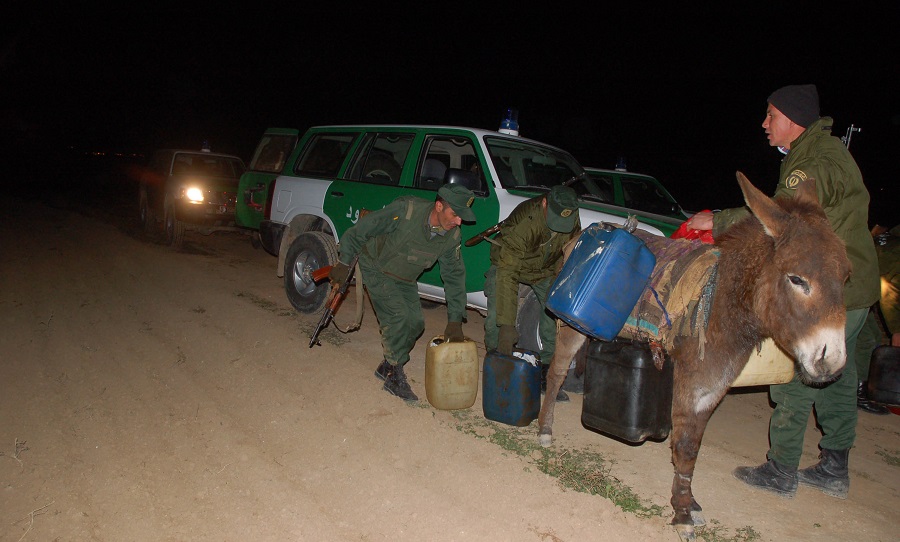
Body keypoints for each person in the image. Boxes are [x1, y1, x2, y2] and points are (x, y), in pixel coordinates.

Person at [689, 84, 880, 499]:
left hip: (826, 288)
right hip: (854, 284)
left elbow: (780, 214)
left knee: (796, 368)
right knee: (838, 378)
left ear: (792, 120)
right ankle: (834, 466)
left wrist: (717, 221)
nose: (765, 123)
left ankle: (781, 470)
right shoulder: (827, 153)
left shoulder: (809, 164)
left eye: (771, 115)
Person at [329, 184, 476, 402]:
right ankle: (394, 374)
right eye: (455, 214)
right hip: (377, 266)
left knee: (416, 323)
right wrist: (343, 262)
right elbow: (360, 231)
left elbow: (454, 275)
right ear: (438, 206)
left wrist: (455, 319)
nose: (458, 222)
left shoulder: (452, 236)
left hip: (405, 277)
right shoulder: (405, 210)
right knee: (398, 317)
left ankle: (386, 364)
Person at [483, 185, 581, 402]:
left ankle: (545, 375)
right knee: (496, 321)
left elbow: (569, 253)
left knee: (552, 320)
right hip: (511, 265)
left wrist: (560, 287)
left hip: (545, 271)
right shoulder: (524, 221)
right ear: (545, 203)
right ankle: (496, 365)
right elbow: (507, 273)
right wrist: (508, 325)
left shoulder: (571, 215)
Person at [854, 223, 900, 414]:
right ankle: (858, 393)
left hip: (861, 289)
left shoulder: (891, 243)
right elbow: (890, 296)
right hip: (849, 290)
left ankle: (864, 385)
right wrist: (897, 332)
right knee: (867, 340)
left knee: (871, 335)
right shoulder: (893, 256)